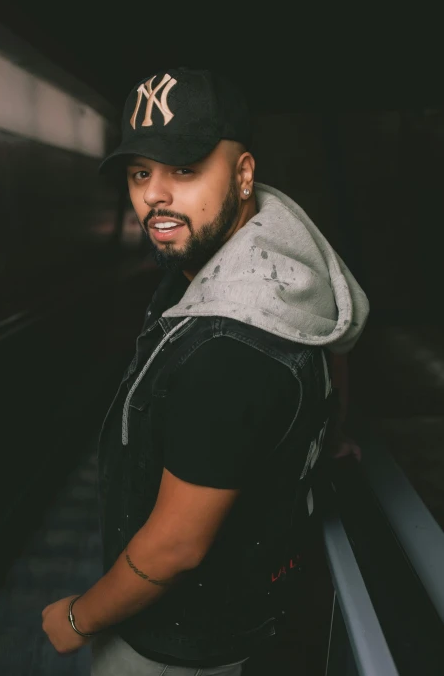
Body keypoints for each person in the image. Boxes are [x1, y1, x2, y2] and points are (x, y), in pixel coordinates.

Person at [42, 68, 369, 674]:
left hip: (178, 643)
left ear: (244, 174)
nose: (155, 196)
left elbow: (175, 548)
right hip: (250, 607)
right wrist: (331, 428)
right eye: (141, 173)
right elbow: (338, 338)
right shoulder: (285, 254)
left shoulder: (227, 349)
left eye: (185, 170)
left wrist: (75, 620)